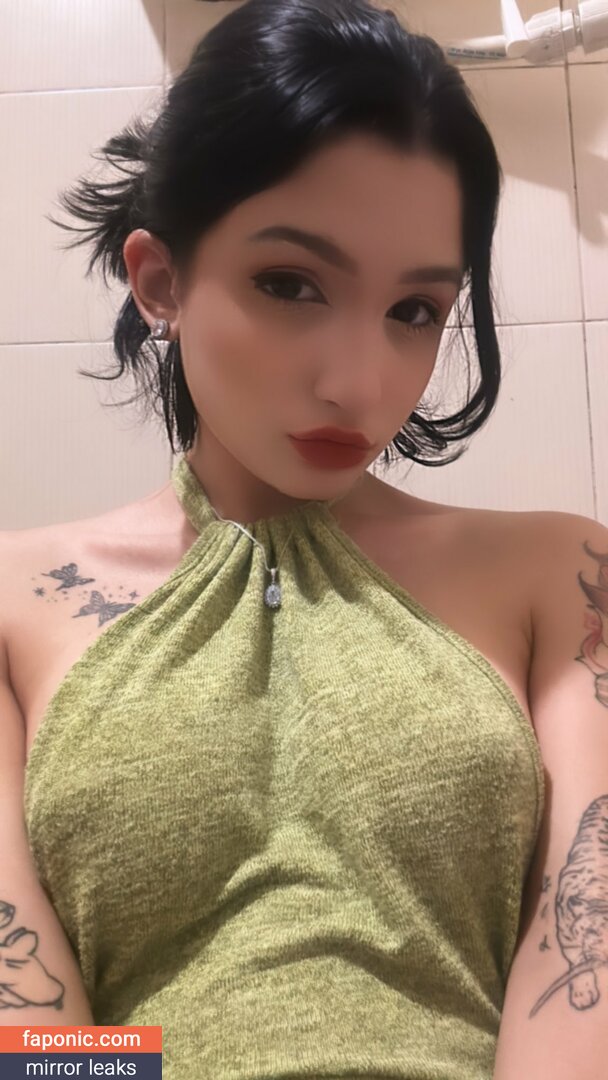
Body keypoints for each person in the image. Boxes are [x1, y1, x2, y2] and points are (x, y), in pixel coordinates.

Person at [3, 1, 547, 1077]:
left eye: (414, 311)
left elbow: (586, 963)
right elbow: (32, 1036)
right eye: (290, 285)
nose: (358, 384)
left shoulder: (557, 577)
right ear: (159, 280)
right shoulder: (17, 604)